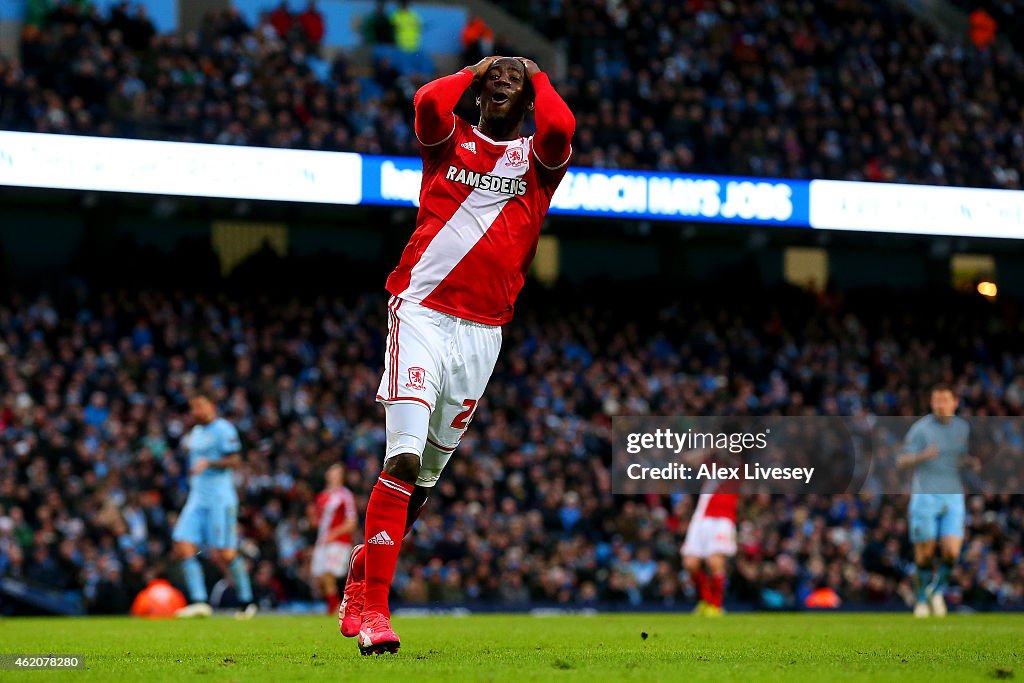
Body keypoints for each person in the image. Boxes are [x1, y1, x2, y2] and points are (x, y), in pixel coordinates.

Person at [338, 55, 575, 655]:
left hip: (483, 334)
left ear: (526, 103)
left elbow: (560, 128)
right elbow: (425, 103)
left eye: (513, 84)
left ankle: (364, 572)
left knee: (425, 481)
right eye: (493, 81)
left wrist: (534, 74)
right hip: (419, 310)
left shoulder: (538, 165)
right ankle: (376, 613)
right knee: (403, 459)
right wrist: (477, 69)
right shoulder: (450, 144)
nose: (502, 84)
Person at [171, 393, 257, 619]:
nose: (196, 411)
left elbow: (235, 460)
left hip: (220, 499)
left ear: (212, 406)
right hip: (197, 498)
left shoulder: (224, 429)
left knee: (226, 554)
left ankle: (247, 602)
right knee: (182, 542)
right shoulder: (195, 433)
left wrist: (209, 462)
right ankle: (199, 601)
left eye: (199, 406)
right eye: (193, 408)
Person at [897, 384, 971, 618]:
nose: (940, 405)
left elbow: (956, 460)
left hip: (953, 496)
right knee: (925, 554)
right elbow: (901, 460)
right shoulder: (920, 429)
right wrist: (922, 456)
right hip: (925, 496)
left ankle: (935, 590)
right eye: (936, 401)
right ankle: (921, 601)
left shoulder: (963, 428)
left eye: (944, 400)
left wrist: (968, 463)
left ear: (954, 402)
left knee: (951, 552)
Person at [681, 450, 740, 617]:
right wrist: (713, 446)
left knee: (715, 562)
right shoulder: (713, 463)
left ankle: (716, 605)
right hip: (701, 517)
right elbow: (687, 459)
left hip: (723, 518)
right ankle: (706, 601)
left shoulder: (741, 465)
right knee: (690, 563)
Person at [311, 463, 357, 615]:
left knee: (328, 574)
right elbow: (317, 522)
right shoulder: (322, 496)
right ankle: (336, 605)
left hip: (338, 541)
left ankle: (336, 608)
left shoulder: (345, 495)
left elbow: (351, 522)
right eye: (331, 471)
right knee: (319, 578)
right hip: (322, 541)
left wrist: (334, 533)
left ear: (341, 476)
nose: (332, 474)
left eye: (336, 472)